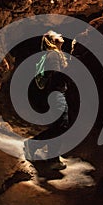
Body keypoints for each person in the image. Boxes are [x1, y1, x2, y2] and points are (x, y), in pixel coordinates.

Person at [24, 30, 69, 170]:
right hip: (56, 94)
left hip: (53, 94)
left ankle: (53, 158)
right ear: (51, 40)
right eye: (57, 34)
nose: (60, 35)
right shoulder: (54, 55)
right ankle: (33, 144)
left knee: (57, 125)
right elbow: (55, 75)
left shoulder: (54, 55)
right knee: (62, 125)